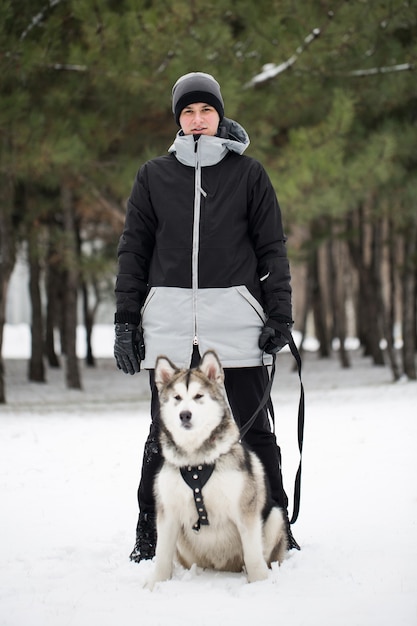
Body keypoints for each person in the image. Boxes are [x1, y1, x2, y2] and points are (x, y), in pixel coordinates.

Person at [114, 71, 300, 562]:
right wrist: (126, 320)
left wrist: (278, 314)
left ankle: (274, 523)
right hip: (171, 324)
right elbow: (133, 251)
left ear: (220, 116)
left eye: (206, 111)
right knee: (163, 433)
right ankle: (150, 532)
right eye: (189, 113)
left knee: (256, 430)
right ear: (179, 120)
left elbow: (271, 250)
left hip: (236, 324)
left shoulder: (248, 174)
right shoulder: (153, 176)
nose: (198, 121)